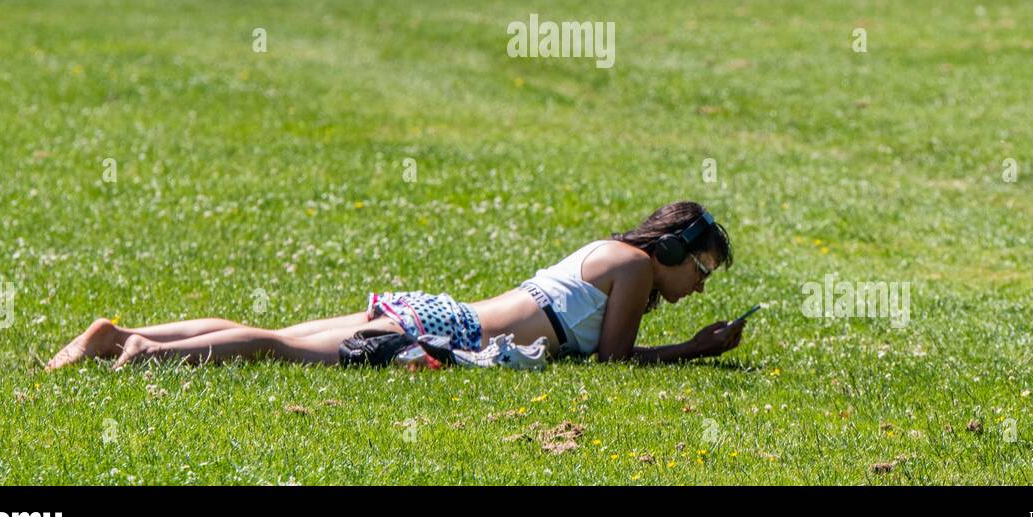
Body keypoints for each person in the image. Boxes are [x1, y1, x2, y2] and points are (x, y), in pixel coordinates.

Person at [45, 200, 744, 369]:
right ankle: (147, 353)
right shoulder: (629, 265)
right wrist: (692, 349)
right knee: (284, 349)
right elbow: (612, 360)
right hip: (452, 332)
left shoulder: (612, 255)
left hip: (443, 313)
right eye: (702, 268)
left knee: (285, 335)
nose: (701, 285)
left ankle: (116, 335)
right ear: (675, 246)